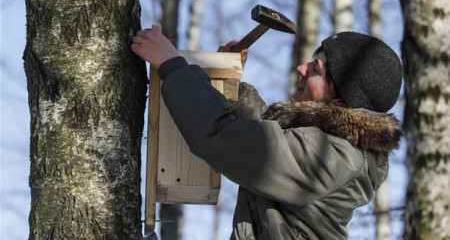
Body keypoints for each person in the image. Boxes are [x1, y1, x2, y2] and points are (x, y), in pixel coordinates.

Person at [132, 29, 403, 240]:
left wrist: (171, 64)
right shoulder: (328, 145)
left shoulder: (333, 158)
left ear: (341, 102)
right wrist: (229, 84)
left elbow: (223, 137)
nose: (301, 68)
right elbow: (265, 134)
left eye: (316, 70)